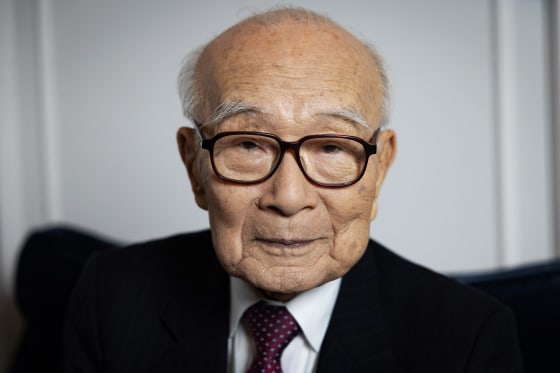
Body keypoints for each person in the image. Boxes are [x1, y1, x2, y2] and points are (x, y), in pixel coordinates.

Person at [63, 7, 523, 373]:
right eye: (247, 143)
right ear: (193, 166)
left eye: (331, 146)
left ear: (379, 171)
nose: (287, 197)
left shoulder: (468, 339)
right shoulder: (111, 296)